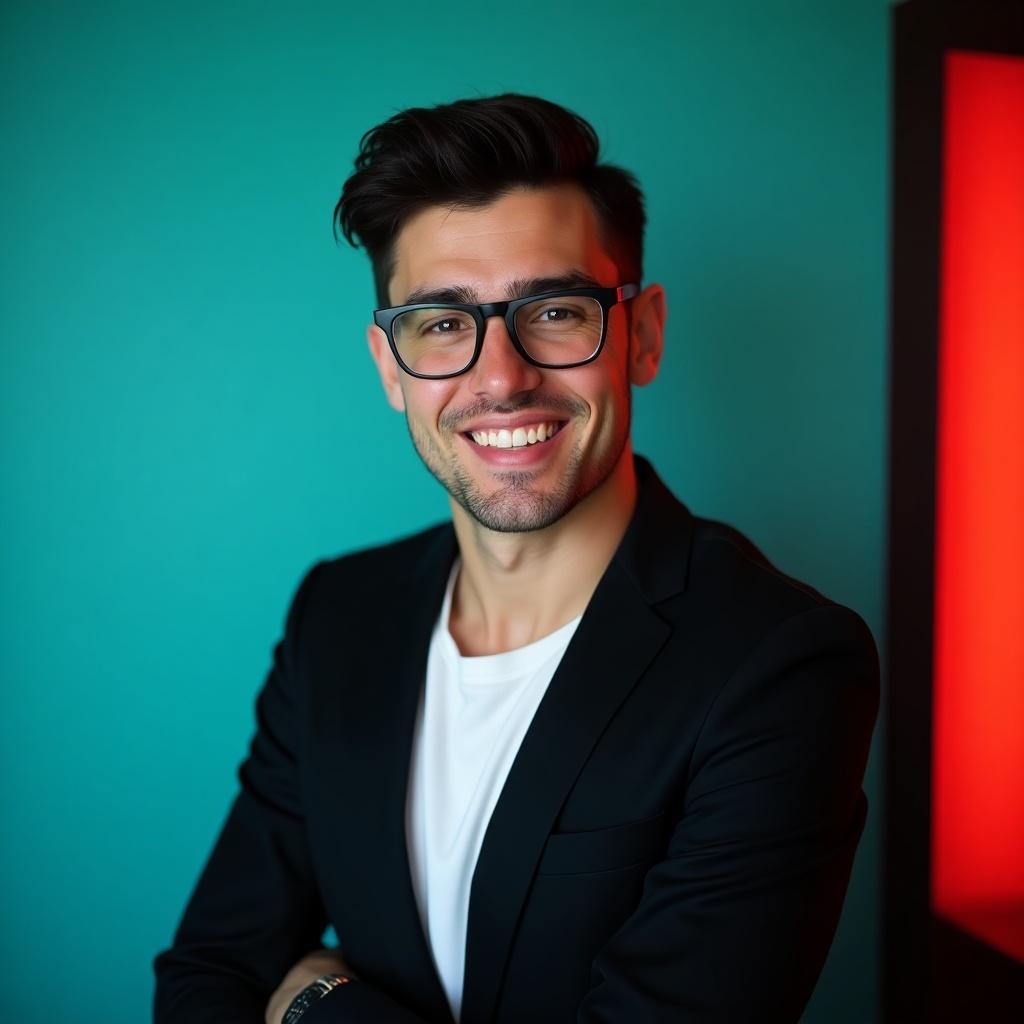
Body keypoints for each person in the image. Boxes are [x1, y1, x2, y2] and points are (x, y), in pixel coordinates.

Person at [153, 93, 880, 1024]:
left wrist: (316, 1005)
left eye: (556, 309)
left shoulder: (779, 664)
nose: (501, 377)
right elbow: (209, 975)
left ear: (643, 333)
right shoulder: (340, 615)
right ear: (389, 364)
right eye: (444, 324)